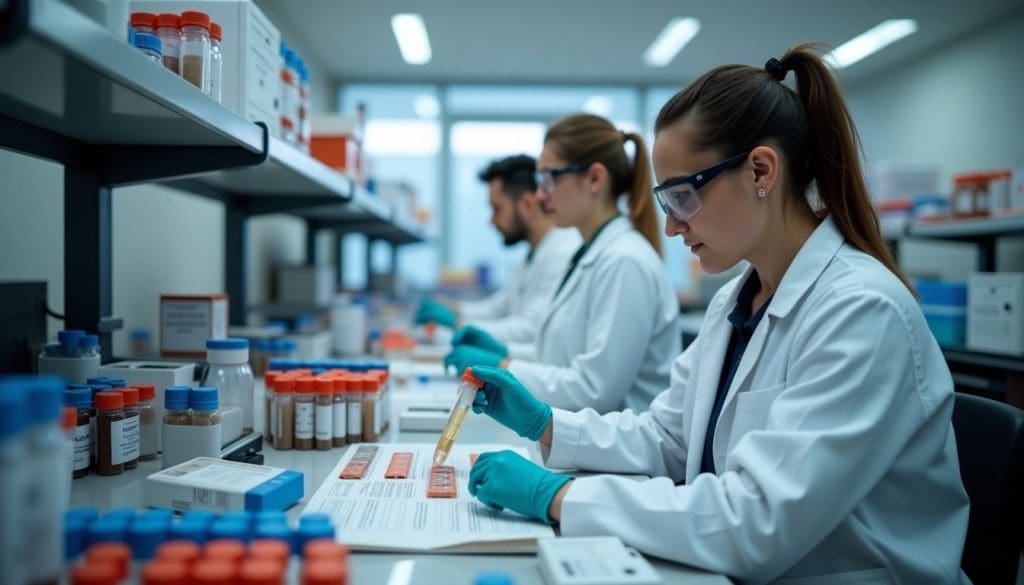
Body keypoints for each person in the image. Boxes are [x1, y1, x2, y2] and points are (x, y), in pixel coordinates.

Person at [465, 45, 970, 584]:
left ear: (760, 169)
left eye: (681, 197)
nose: (672, 227)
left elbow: (758, 521)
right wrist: (548, 425)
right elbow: (671, 439)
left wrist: (561, 495)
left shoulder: (863, 311)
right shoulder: (738, 300)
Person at [446, 114, 680, 413]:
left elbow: (593, 389)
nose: (540, 195)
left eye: (547, 179)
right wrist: (503, 353)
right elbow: (563, 359)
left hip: (615, 447)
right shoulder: (588, 254)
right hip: (585, 441)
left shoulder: (624, 261)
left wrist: (504, 365)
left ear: (595, 178)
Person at [414, 155, 579, 343]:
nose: (491, 221)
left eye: (497, 208)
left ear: (527, 204)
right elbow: (500, 307)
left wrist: (459, 324)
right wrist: (455, 310)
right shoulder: (534, 254)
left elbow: (532, 329)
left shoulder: (561, 254)